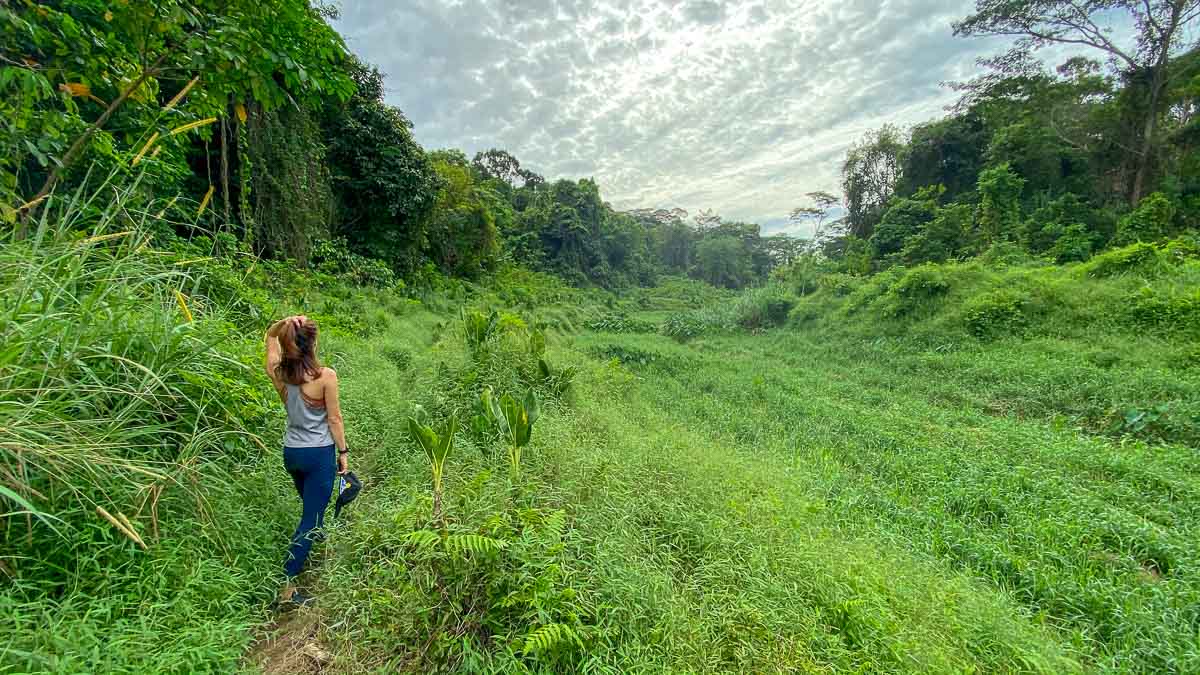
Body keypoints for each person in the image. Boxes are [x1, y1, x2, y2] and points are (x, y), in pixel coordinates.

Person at [263, 314, 349, 607]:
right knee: (311, 518)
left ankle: (314, 540)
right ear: (312, 342)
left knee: (312, 507)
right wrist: (344, 453)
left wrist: (282, 324)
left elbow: (270, 338)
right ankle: (285, 585)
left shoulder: (278, 372)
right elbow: (334, 419)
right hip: (318, 454)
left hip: (292, 453)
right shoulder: (325, 376)